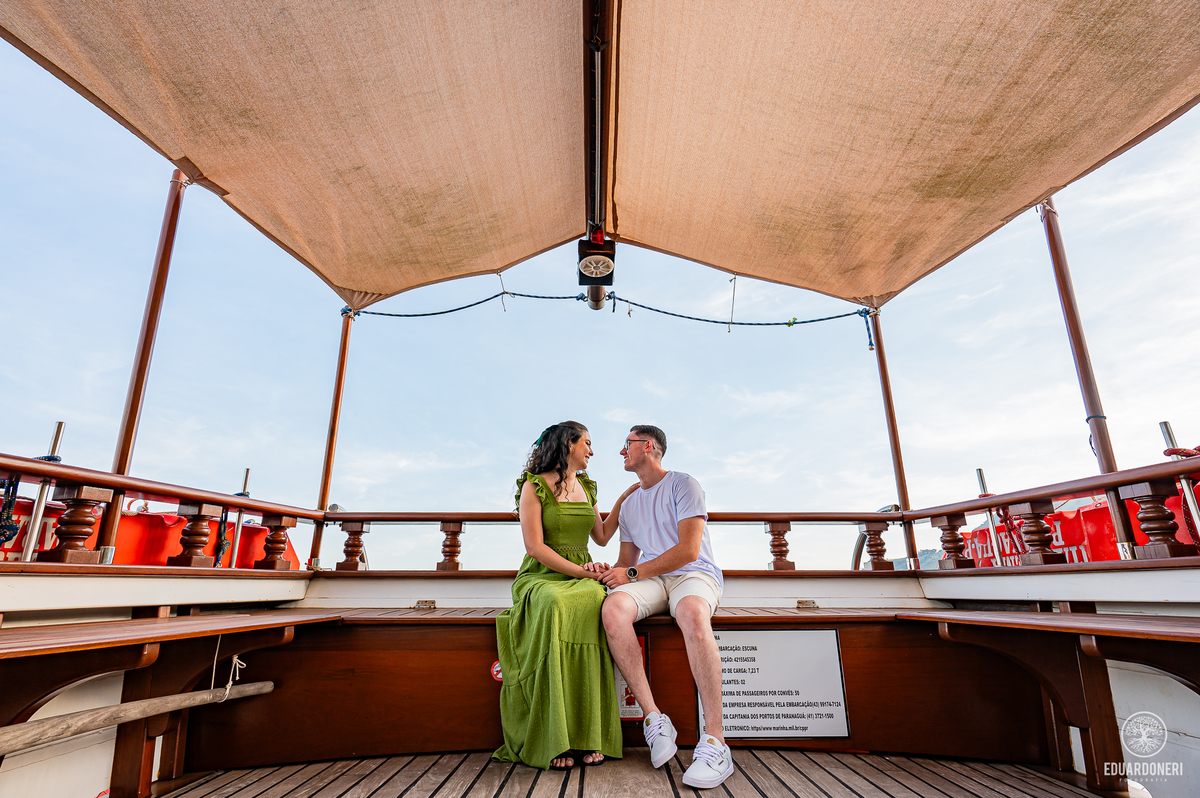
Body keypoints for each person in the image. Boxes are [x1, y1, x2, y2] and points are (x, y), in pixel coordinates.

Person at [594, 425, 733, 789]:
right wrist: (605, 571)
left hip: (694, 573)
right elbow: (626, 562)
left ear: (649, 446)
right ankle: (654, 718)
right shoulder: (629, 504)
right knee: (613, 609)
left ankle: (716, 741)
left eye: (627, 444)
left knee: (690, 612)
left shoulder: (684, 484)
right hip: (654, 579)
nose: (622, 451)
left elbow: (688, 550)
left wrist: (634, 572)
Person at [492, 421, 636, 771]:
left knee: (596, 598)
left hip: (583, 573)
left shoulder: (586, 486)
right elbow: (535, 546)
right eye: (586, 442)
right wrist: (581, 571)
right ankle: (552, 738)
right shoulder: (534, 486)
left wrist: (624, 497)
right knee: (555, 603)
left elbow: (601, 537)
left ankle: (589, 735)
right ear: (567, 444)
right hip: (542, 577)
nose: (591, 450)